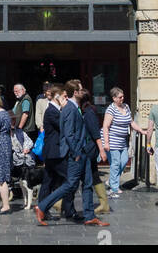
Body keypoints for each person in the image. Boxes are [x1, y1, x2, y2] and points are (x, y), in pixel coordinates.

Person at [35, 82, 108, 228]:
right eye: (80, 89)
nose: (84, 91)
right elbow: (68, 134)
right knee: (71, 183)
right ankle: (42, 207)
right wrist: (76, 153)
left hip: (84, 152)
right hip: (77, 153)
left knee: (87, 184)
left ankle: (89, 216)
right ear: (75, 92)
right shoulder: (69, 109)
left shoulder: (75, 108)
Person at [102, 85, 146, 199]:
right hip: (112, 141)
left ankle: (111, 181)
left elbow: (131, 122)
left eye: (123, 97)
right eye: (120, 97)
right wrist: (106, 143)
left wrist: (141, 130)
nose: (122, 99)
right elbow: (105, 126)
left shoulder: (126, 107)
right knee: (116, 163)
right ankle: (114, 187)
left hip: (122, 141)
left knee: (124, 161)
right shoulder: (110, 109)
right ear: (114, 98)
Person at [37, 85, 74, 219]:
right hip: (55, 152)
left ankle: (43, 208)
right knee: (70, 180)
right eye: (63, 96)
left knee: (49, 181)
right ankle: (67, 209)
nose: (66, 99)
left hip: (53, 152)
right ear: (56, 96)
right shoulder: (52, 111)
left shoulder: (55, 110)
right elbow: (63, 126)